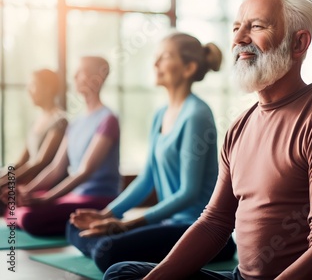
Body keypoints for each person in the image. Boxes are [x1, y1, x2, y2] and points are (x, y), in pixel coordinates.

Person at [105, 0, 312, 280]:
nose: (240, 39)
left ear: (299, 43)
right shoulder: (240, 126)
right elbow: (215, 222)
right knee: (123, 273)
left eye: (256, 26)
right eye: (236, 28)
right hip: (239, 277)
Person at [67, 33, 236, 273]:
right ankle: (108, 242)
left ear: (189, 68)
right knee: (74, 227)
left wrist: (126, 226)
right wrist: (105, 216)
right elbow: (146, 180)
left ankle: (107, 246)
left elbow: (188, 193)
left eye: (164, 57)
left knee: (108, 251)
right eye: (156, 57)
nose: (155, 63)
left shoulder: (197, 115)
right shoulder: (159, 115)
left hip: (199, 231)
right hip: (168, 224)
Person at [12, 56, 121, 236]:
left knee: (28, 218)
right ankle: (71, 228)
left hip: (100, 198)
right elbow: (56, 168)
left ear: (94, 78)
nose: (74, 78)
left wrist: (47, 199)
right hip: (75, 196)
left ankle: (88, 225)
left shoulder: (108, 119)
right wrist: (27, 191)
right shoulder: (75, 122)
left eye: (79, 74)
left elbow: (85, 171)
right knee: (15, 209)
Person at [0, 69, 67, 190]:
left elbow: (40, 162)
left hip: (45, 187)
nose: (29, 91)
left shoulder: (60, 121)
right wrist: (4, 177)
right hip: (27, 183)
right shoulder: (35, 122)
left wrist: (6, 182)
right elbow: (21, 162)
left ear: (49, 89)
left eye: (33, 85)